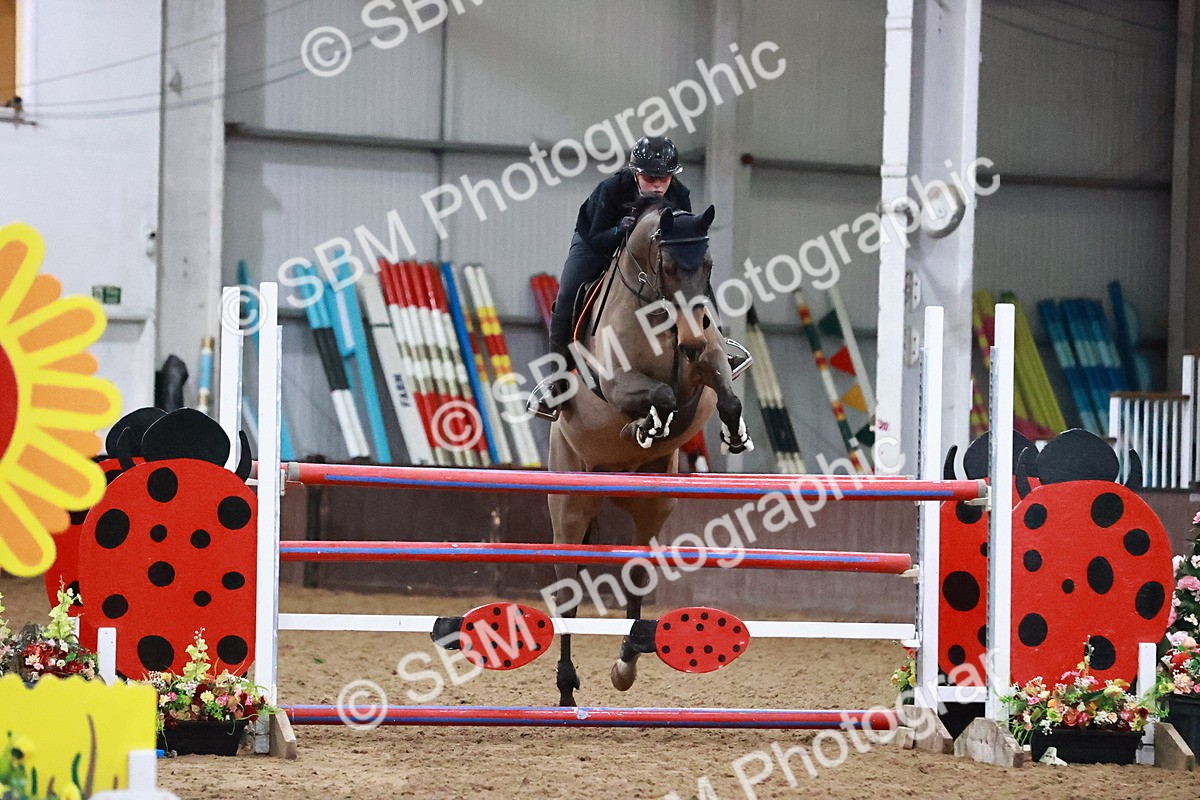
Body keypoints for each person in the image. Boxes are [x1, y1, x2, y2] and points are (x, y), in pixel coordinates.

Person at [531, 135, 748, 420]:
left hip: (652, 251)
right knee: (567, 296)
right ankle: (556, 383)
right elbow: (596, 238)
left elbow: (685, 242)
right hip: (595, 242)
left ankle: (719, 345)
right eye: (650, 177)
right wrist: (618, 232)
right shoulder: (611, 190)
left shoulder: (679, 194)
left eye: (664, 178)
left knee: (696, 277)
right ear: (636, 173)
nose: (658, 185)